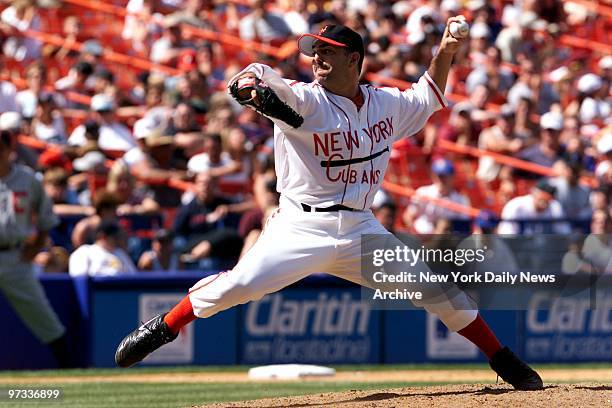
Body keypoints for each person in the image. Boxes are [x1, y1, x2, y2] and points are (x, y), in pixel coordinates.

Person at [115, 22, 542, 390]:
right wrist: (251, 90)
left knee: (436, 289)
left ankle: (500, 357)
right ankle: (163, 327)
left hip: (361, 230)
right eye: (314, 50)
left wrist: (446, 51)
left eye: (328, 51)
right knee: (238, 286)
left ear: (354, 58)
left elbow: (427, 94)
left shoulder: (384, 104)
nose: (317, 57)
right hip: (301, 224)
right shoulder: (304, 100)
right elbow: (253, 79)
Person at [0, 129, 70, 367]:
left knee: (43, 316)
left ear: (10, 149)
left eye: (1, 148)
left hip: (15, 255)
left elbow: (46, 218)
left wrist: (38, 243)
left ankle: (71, 371)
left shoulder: (26, 179)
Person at [69, 220, 137, 277]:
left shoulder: (120, 253)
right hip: (96, 291)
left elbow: (133, 276)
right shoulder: (85, 251)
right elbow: (79, 277)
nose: (118, 240)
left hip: (120, 291)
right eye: (115, 237)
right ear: (102, 236)